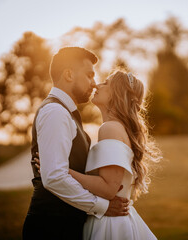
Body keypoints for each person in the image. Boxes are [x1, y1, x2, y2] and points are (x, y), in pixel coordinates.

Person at [35, 70, 162, 239]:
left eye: (106, 83)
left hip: (110, 224)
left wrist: (63, 171)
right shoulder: (116, 128)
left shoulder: (110, 128)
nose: (96, 84)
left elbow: (109, 189)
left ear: (117, 94)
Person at [22, 47, 129, 240]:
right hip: (51, 227)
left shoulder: (67, 112)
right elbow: (54, 177)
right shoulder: (55, 112)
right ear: (69, 74)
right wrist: (102, 206)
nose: (94, 84)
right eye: (89, 75)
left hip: (64, 225)